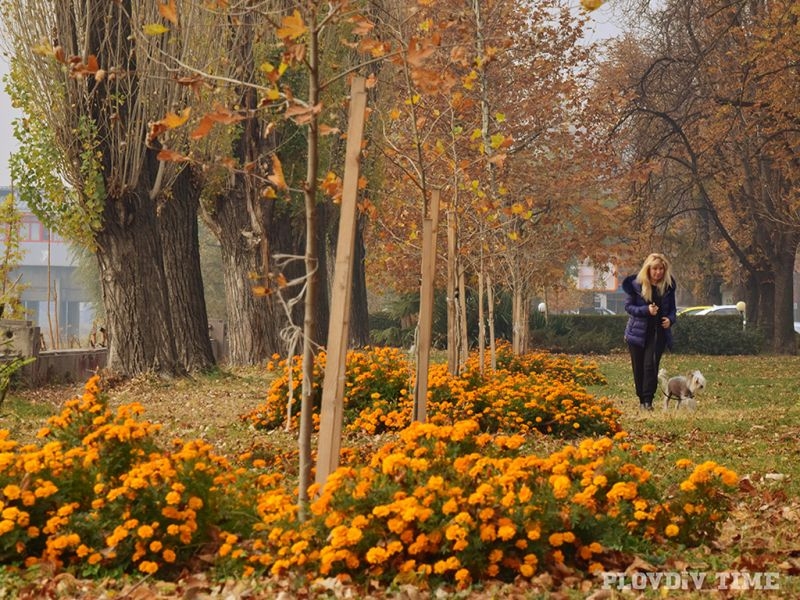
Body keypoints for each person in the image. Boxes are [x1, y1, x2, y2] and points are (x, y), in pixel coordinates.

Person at [622, 253, 677, 410]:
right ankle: (641, 400)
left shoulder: (668, 287)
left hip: (658, 334)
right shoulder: (636, 285)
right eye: (654, 268)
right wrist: (646, 310)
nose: (658, 272)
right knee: (638, 367)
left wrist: (670, 320)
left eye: (661, 269)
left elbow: (673, 310)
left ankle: (648, 401)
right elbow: (629, 307)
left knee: (650, 366)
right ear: (648, 269)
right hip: (637, 334)